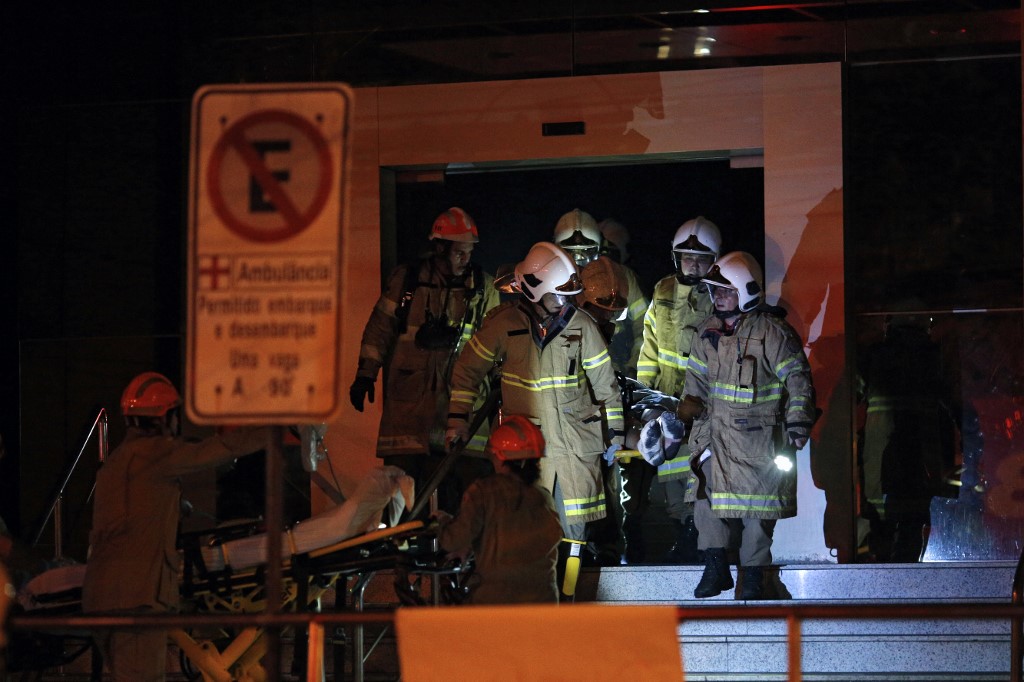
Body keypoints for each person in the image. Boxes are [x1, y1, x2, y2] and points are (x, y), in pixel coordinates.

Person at [446, 242, 624, 590]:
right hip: (530, 451)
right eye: (559, 294)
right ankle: (536, 603)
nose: (566, 301)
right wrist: (457, 418)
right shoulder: (504, 325)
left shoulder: (582, 326)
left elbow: (606, 384)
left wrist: (615, 432)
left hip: (573, 449)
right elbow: (467, 370)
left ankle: (567, 604)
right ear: (536, 290)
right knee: (529, 529)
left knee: (574, 534)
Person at [81, 372, 270, 681]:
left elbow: (133, 512)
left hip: (100, 597)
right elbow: (222, 448)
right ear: (166, 416)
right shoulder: (158, 453)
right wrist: (279, 428)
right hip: (138, 600)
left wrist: (177, 506)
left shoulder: (116, 462)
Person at [682, 252, 816, 600]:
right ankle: (715, 567)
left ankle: (753, 576)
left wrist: (799, 422)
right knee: (704, 498)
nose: (718, 297)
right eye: (713, 291)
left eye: (725, 290)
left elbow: (798, 379)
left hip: (759, 440)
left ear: (746, 289)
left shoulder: (771, 332)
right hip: (714, 437)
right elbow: (694, 386)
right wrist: (680, 416)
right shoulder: (705, 333)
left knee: (759, 510)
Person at [350, 207, 500, 516]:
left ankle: (461, 556)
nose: (465, 259)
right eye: (459, 252)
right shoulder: (407, 282)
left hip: (461, 411)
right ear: (440, 248)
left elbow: (498, 347)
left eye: (469, 252)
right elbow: (380, 328)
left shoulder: (483, 288)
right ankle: (401, 554)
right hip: (410, 411)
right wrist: (366, 374)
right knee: (401, 493)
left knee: (466, 494)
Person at [635, 216, 720, 564]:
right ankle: (683, 533)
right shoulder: (663, 290)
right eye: (687, 257)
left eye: (701, 258)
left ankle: (697, 539)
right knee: (670, 478)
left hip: (704, 405)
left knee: (698, 475)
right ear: (676, 257)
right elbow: (650, 348)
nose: (694, 263)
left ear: (713, 260)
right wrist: (643, 399)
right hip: (668, 405)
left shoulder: (719, 293)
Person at [856, 307, 957, 562]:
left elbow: (853, 392)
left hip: (880, 450)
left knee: (881, 519)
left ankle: (881, 575)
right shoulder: (935, 357)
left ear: (890, 324)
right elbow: (955, 402)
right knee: (913, 517)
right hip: (922, 451)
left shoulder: (875, 355)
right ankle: (906, 573)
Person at [434, 415, 563, 604]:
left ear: (499, 455)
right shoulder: (543, 497)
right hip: (544, 603)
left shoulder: (483, 492)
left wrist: (442, 521)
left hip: (496, 604)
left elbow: (453, 540)